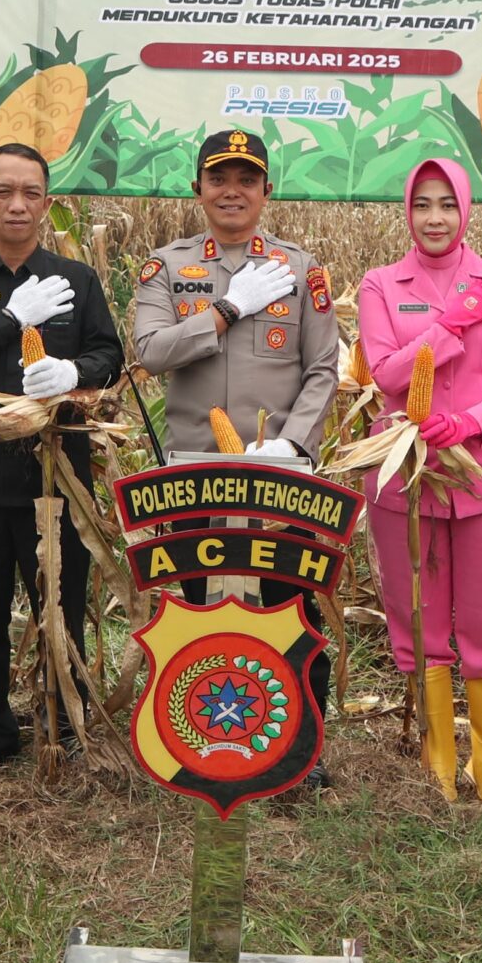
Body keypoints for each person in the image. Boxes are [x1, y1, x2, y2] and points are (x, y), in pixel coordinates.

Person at [129, 128, 342, 782]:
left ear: (266, 191)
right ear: (198, 189)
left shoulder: (300, 270)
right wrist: (224, 311)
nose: (232, 191)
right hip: (193, 471)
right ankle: (196, 746)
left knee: (292, 606)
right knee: (193, 607)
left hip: (279, 474)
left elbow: (324, 368)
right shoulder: (165, 268)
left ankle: (300, 748)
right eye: (219, 178)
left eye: (246, 179)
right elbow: (151, 351)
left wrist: (292, 442)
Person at [0, 143, 126, 784]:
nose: (17, 205)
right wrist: (10, 319)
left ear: (47, 202)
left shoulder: (77, 280)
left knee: (60, 605)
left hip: (59, 472)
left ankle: (65, 718)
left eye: (31, 193)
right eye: (3, 192)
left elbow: (109, 355)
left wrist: (73, 371)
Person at [356, 158, 482, 805]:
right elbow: (386, 374)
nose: (435, 218)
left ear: (466, 210)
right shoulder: (381, 284)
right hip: (406, 477)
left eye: (447, 205)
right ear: (407, 211)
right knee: (420, 620)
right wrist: (452, 323)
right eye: (422, 205)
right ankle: (438, 761)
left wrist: (470, 422)